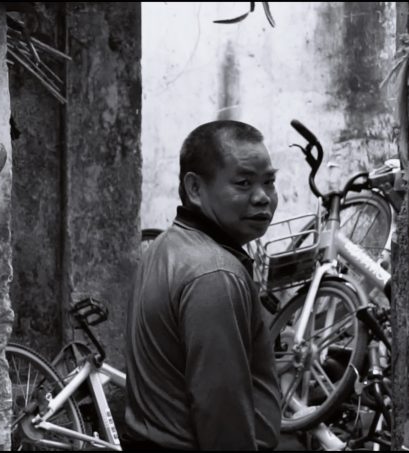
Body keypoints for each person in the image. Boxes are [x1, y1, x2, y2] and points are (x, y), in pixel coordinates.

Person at [124, 120, 281, 450]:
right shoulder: (215, 274)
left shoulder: (166, 246)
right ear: (195, 189)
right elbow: (222, 416)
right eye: (243, 183)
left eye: (269, 182)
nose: (262, 198)